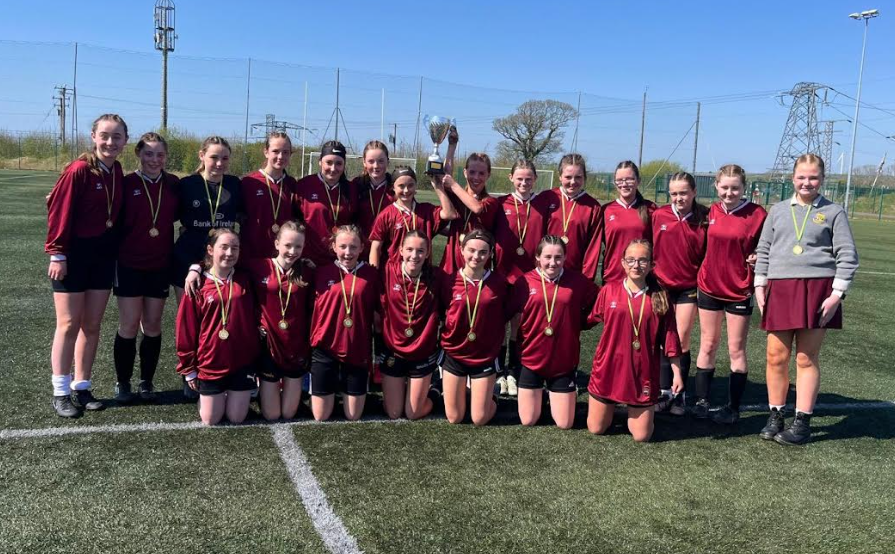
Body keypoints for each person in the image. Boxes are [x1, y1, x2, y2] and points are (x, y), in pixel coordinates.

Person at [754, 154, 858, 445]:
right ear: (793, 178)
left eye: (813, 177)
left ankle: (802, 422)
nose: (807, 182)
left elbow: (847, 255)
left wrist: (836, 295)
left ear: (822, 179)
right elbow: (764, 249)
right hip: (780, 288)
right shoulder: (777, 210)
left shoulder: (834, 212)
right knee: (775, 357)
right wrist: (760, 284)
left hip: (817, 290)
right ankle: (776, 415)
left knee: (805, 357)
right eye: (801, 177)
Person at [46, 113, 128, 417]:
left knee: (91, 325)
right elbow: (58, 209)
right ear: (93, 136)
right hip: (74, 256)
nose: (110, 142)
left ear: (125, 141)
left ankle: (82, 386)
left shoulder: (116, 170)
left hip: (103, 258)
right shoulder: (79, 169)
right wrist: (57, 253)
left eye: (117, 136)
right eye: (104, 135)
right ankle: (60, 391)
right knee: (68, 324)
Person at [586, 240, 683, 442]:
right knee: (596, 428)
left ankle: (633, 413)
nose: (636, 265)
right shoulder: (609, 291)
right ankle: (615, 409)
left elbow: (670, 337)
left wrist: (676, 373)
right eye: (630, 260)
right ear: (623, 263)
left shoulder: (660, 296)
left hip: (642, 373)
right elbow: (587, 320)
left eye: (642, 260)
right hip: (608, 368)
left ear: (651, 264)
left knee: (641, 436)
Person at [694, 164, 767, 423]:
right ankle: (701, 402)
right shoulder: (710, 212)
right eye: (724, 187)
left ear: (744, 187)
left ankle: (733, 408)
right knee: (708, 343)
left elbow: (769, 246)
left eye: (735, 188)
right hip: (709, 286)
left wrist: (759, 255)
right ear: (716, 186)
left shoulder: (758, 214)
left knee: (736, 349)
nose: (729, 192)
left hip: (738, 290)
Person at [113, 132, 179, 404]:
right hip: (129, 264)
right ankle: (123, 381)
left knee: (152, 324)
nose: (154, 159)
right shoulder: (126, 183)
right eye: (149, 153)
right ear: (138, 154)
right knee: (129, 324)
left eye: (160, 154)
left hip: (160, 264)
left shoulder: (173, 184)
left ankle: (146, 381)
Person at [512, 236, 598, 429]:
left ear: (565, 257)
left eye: (558, 257)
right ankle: (540, 395)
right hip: (531, 359)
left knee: (564, 423)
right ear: (537, 257)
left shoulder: (577, 281)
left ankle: (550, 393)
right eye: (547, 257)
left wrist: (582, 323)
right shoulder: (524, 282)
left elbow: (599, 302)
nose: (553, 262)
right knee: (528, 420)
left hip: (563, 360)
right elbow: (506, 311)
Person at [176, 229, 259, 426]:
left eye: (235, 248)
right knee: (211, 420)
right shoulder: (197, 284)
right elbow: (185, 330)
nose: (229, 253)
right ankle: (211, 398)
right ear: (210, 250)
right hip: (210, 362)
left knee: (237, 418)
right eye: (224, 247)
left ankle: (232, 395)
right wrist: (189, 369)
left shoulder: (245, 278)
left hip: (241, 362)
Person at [439, 230, 518, 426]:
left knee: (479, 418)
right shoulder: (448, 281)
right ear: (462, 250)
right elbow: (441, 311)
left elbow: (506, 314)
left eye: (483, 252)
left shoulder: (499, 283)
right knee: (454, 418)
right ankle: (469, 392)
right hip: (455, 353)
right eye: (471, 250)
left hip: (484, 356)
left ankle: (492, 395)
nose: (476, 256)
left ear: (490, 253)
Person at [308, 225, 381, 421]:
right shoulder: (320, 273)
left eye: (353, 247)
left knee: (353, 415)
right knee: (321, 416)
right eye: (342, 246)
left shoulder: (372, 275)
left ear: (362, 248)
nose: (348, 252)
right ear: (334, 247)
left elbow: (379, 312)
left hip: (356, 348)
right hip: (325, 347)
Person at [651, 171, 708, 415]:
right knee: (661, 338)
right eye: (674, 193)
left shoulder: (705, 218)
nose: (678, 198)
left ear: (694, 192)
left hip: (688, 287)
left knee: (681, 338)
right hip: (661, 286)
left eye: (683, 192)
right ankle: (663, 390)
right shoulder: (658, 215)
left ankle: (679, 394)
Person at [492, 160, 548, 396]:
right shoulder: (500, 203)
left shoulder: (543, 205)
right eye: (519, 178)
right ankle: (498, 372)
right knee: (499, 323)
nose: (524, 183)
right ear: (511, 178)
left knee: (519, 324)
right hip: (502, 274)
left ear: (535, 179)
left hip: (529, 277)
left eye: (528, 179)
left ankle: (514, 371)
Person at [379, 231, 448, 420]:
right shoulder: (387, 271)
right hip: (393, 351)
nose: (414, 255)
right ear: (401, 250)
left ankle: (435, 389)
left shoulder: (437, 277)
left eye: (420, 251)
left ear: (427, 253)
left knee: (413, 413)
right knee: (394, 413)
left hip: (422, 352)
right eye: (409, 249)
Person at [250, 222, 313, 421]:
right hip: (269, 346)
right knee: (272, 415)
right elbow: (222, 262)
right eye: (287, 245)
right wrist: (194, 268)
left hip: (296, 346)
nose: (292, 251)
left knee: (288, 414)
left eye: (298, 247)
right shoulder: (259, 266)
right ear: (277, 244)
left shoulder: (308, 270)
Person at [172, 136, 243, 304]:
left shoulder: (235, 184)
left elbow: (245, 216)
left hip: (222, 258)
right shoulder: (187, 184)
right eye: (214, 157)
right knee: (188, 312)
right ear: (201, 156)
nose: (219, 163)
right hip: (188, 256)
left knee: (220, 313)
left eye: (224, 158)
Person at [368, 166, 458, 268]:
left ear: (416, 186)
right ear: (393, 187)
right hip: (394, 273)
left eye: (410, 185)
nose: (406, 190)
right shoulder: (386, 215)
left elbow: (450, 214)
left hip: (423, 271)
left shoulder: (426, 210)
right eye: (401, 186)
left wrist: (438, 187)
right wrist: (373, 274)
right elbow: (375, 248)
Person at [293, 141, 357, 267]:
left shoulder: (352, 189)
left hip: (340, 260)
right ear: (320, 162)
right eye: (329, 162)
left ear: (344, 164)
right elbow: (294, 222)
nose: (333, 168)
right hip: (308, 260)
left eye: (339, 163)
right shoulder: (304, 185)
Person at [239, 132, 300, 259]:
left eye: (285, 152)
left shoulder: (292, 184)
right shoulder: (249, 182)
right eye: (275, 151)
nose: (280, 156)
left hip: (283, 258)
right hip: (252, 256)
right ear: (266, 152)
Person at [541, 154, 601, 280]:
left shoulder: (593, 206)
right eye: (568, 177)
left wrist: (586, 279)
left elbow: (593, 247)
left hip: (575, 275)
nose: (573, 182)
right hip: (545, 272)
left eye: (578, 177)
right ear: (560, 177)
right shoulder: (546, 198)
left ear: (584, 178)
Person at [352, 140, 393, 263]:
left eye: (381, 161)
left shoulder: (396, 187)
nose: (376, 166)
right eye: (371, 161)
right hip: (359, 251)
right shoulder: (355, 185)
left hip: (388, 251)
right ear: (364, 162)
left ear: (388, 162)